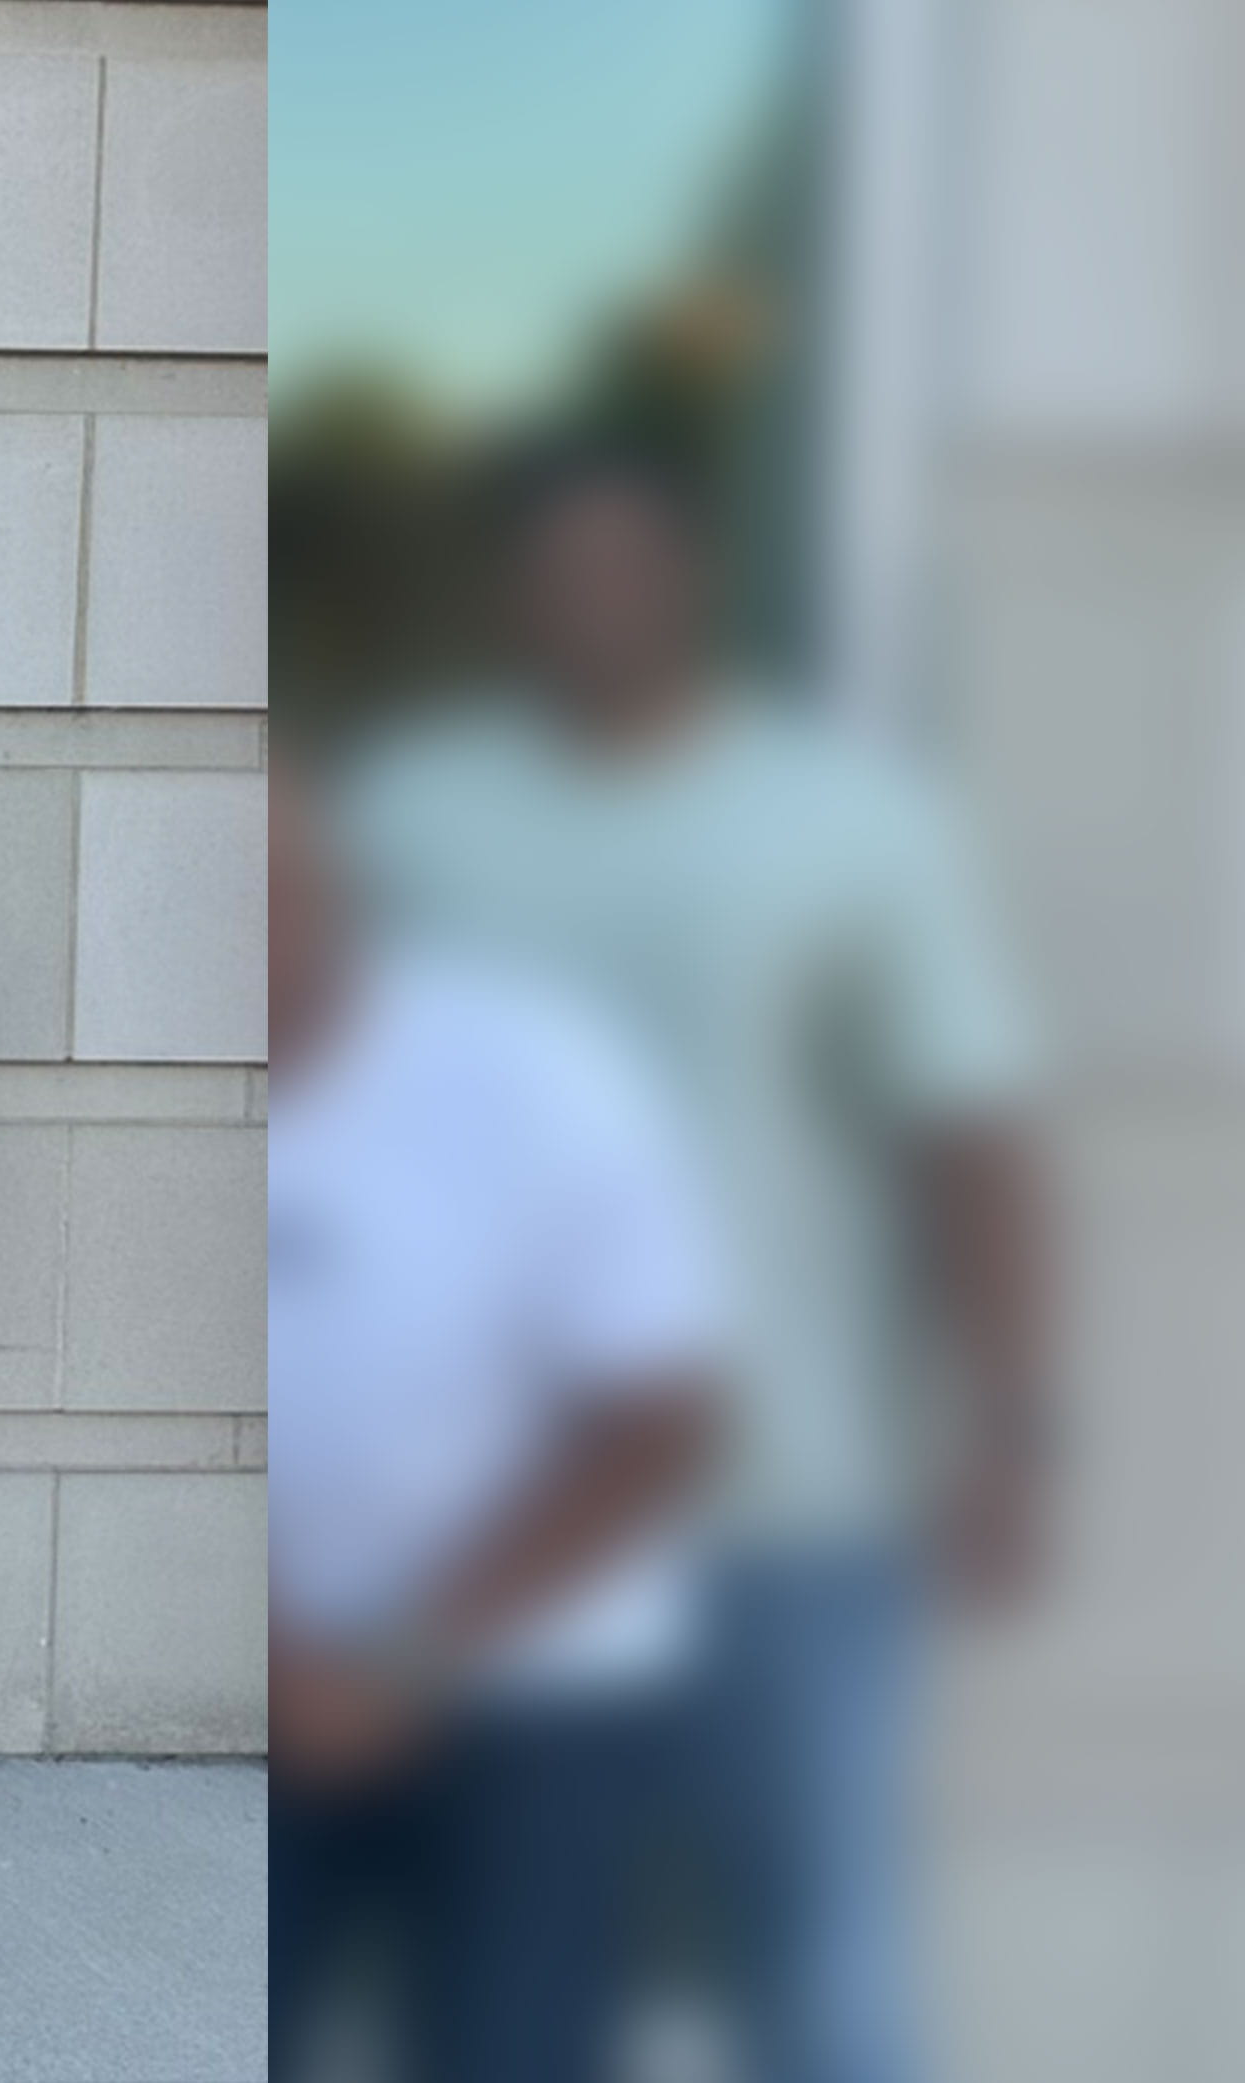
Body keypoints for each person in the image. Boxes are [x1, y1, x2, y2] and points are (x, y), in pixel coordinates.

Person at [342, 445, 1042, 2083]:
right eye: (560, 569)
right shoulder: (420, 813)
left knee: (823, 1972)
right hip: (478, 1527)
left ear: (692, 583)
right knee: (494, 1991)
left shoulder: (849, 818)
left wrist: (1013, 1418)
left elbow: (972, 1134)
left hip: (780, 1504)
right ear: (513, 597)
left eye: (630, 565)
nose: (596, 600)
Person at [268, 769, 724, 2083]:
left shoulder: (529, 1071)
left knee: (510, 2037)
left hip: (527, 1687)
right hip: (300, 1678)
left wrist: (408, 1654)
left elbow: (663, 1410)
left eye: (291, 891)